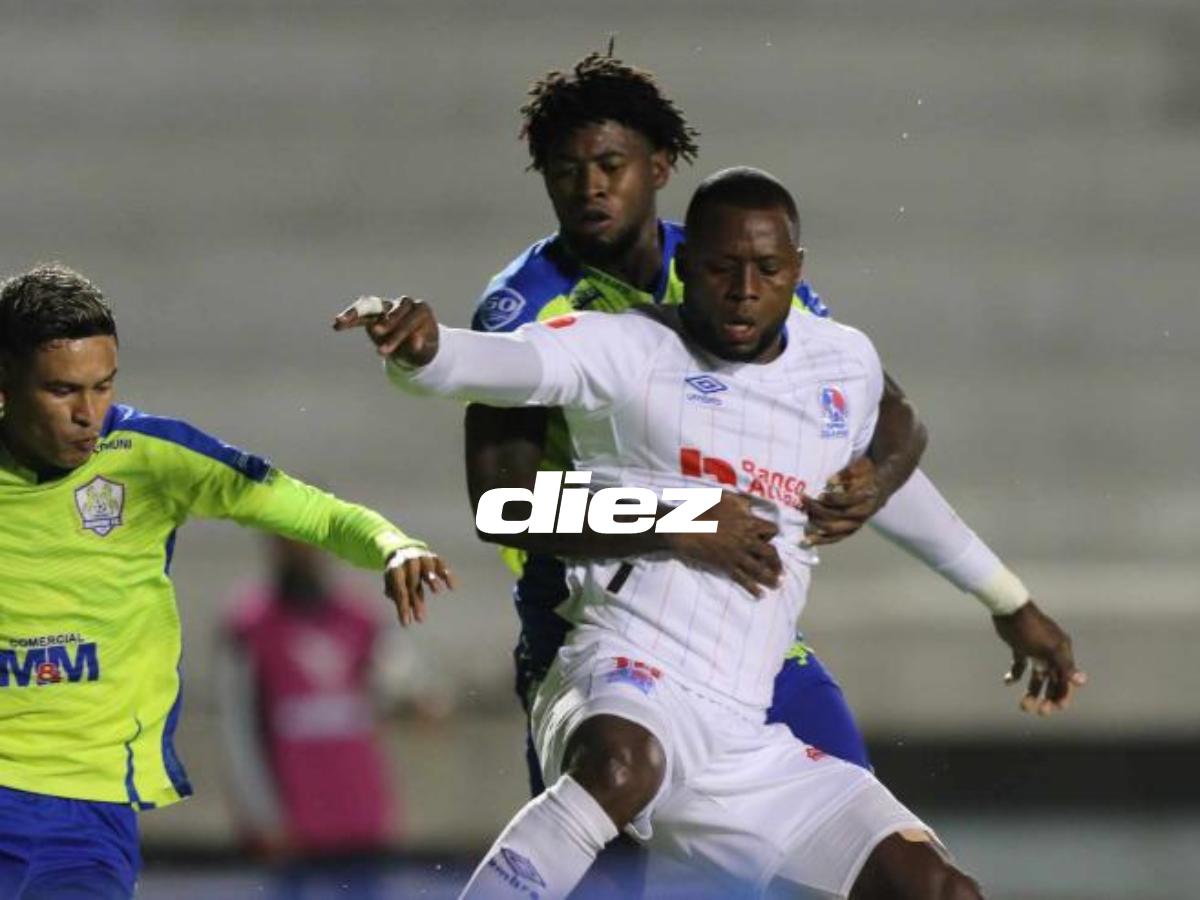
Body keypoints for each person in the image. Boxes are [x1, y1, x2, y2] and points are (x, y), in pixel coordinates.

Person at [335, 169, 1026, 897]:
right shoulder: (625, 347)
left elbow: (903, 425)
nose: (743, 290)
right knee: (621, 764)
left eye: (767, 270)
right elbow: (486, 386)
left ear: (798, 272)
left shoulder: (841, 361)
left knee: (941, 890)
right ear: (687, 264)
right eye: (723, 269)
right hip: (623, 669)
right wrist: (423, 350)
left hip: (744, 733)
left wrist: (1002, 591)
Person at [465, 55, 1082, 797]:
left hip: (742, 619)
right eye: (566, 170)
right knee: (606, 860)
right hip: (588, 623)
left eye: (610, 164)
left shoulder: (736, 263)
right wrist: (680, 518)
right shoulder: (525, 314)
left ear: (660, 166)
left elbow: (888, 422)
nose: (590, 186)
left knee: (866, 847)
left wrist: (994, 587)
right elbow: (506, 508)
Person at [0, 264, 454, 900]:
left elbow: (311, 510)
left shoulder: (153, 457)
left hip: (92, 810)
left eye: (102, 387)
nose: (88, 414)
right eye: (61, 391)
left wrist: (391, 543)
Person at [218, 534, 424, 899]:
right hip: (292, 823)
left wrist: (418, 699)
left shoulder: (357, 617)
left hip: (359, 813)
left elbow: (398, 680)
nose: (302, 554)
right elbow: (239, 727)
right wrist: (260, 814)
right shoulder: (252, 624)